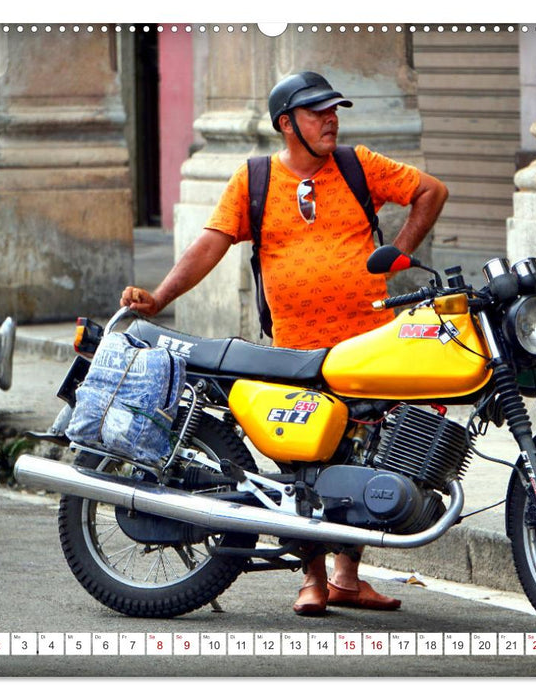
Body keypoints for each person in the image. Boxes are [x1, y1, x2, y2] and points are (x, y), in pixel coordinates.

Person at [121, 71, 449, 616]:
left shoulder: (357, 164)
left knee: (363, 457)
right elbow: (209, 246)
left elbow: (430, 192)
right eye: (319, 112)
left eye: (334, 111)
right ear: (286, 123)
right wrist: (158, 298)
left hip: (365, 347)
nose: (332, 120)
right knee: (305, 463)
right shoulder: (254, 180)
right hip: (294, 350)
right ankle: (313, 578)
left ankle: (348, 577)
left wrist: (394, 257)